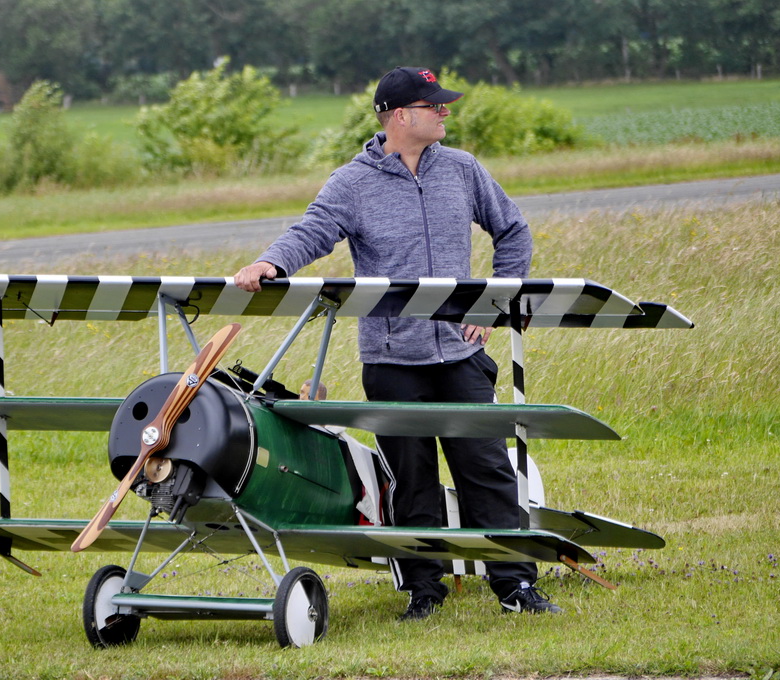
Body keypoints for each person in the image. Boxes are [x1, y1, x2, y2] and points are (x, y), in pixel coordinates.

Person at [233, 66, 562, 620]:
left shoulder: (463, 169)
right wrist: (271, 262)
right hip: (391, 361)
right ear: (399, 115)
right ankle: (423, 591)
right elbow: (311, 231)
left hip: (460, 357)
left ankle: (515, 587)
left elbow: (513, 230)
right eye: (433, 105)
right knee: (411, 482)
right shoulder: (352, 182)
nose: (444, 112)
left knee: (487, 471)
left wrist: (489, 307)